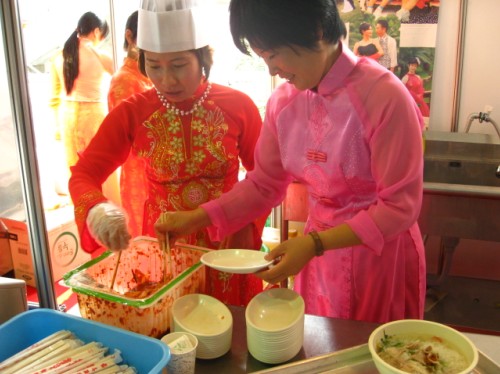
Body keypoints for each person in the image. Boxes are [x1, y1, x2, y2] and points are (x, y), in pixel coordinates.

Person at [155, 0, 426, 324]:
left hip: (380, 260)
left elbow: (399, 207)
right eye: (262, 58)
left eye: (273, 55)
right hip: (319, 255)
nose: (271, 69)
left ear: (317, 30)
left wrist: (315, 244)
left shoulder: (384, 96)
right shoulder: (284, 102)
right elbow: (264, 184)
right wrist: (196, 218)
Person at [69, 0, 266, 307]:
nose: (167, 80)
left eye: (178, 66)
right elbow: (84, 173)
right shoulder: (133, 113)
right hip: (166, 247)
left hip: (228, 240)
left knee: (235, 332)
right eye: (155, 66)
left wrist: (245, 222)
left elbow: (265, 177)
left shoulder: (239, 106)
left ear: (202, 58)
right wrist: (97, 210)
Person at [49, 11, 120, 204]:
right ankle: (107, 209)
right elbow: (121, 78)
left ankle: (83, 207)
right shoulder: (99, 55)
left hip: (67, 116)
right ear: (96, 32)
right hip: (93, 116)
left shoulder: (59, 56)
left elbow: (54, 97)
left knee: (76, 168)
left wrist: (56, 128)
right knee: (102, 166)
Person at [107, 11, 153, 238]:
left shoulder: (149, 75)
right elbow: (126, 140)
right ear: (129, 37)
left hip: (158, 172)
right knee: (146, 242)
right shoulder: (124, 81)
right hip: (139, 177)